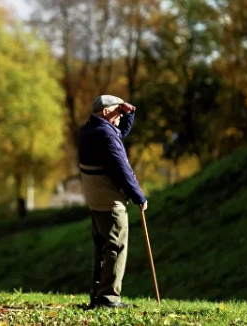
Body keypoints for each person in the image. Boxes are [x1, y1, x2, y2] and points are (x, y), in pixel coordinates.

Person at [78, 95, 148, 309]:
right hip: (109, 200)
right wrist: (138, 196)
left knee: (102, 248)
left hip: (94, 198)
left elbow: (119, 133)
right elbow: (122, 170)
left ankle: (98, 295)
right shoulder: (105, 135)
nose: (120, 117)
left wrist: (129, 114)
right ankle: (109, 298)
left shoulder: (89, 130)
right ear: (107, 112)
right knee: (116, 247)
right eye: (118, 112)